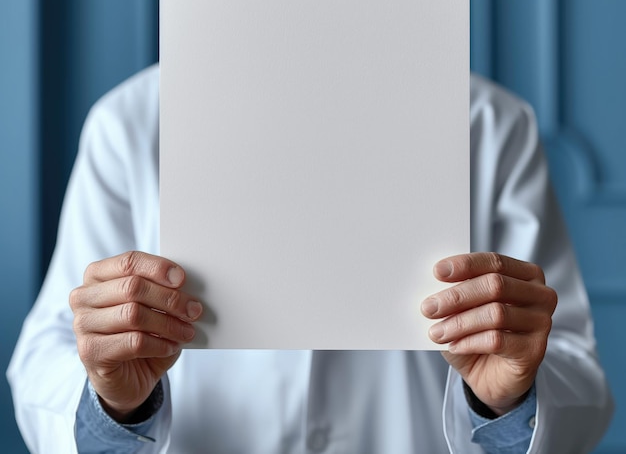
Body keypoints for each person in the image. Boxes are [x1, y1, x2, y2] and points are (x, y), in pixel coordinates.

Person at [8, 65, 613, 453]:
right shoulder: (131, 126)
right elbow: (44, 364)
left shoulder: (492, 127)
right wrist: (116, 402)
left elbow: (576, 376)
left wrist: (503, 403)